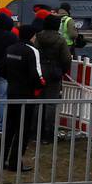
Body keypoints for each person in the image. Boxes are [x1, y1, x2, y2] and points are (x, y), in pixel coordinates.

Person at [0, 22, 43, 172]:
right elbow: (35, 74)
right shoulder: (32, 51)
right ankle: (15, 162)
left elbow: (2, 69)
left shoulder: (10, 48)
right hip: (26, 94)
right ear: (31, 36)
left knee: (9, 128)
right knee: (23, 130)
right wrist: (40, 86)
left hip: (12, 91)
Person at [32, 12, 73, 145]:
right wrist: (62, 70)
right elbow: (66, 59)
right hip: (54, 73)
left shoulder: (38, 37)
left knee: (38, 102)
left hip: (40, 71)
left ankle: (34, 132)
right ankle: (48, 133)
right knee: (51, 103)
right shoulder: (60, 40)